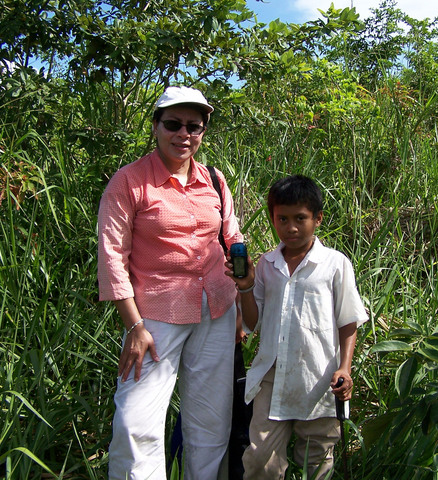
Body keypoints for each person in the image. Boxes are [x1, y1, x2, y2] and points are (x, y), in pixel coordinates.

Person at [98, 86, 243, 480]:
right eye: (173, 124)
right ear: (156, 125)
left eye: (194, 127)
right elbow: (112, 256)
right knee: (135, 421)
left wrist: (241, 299)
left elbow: (232, 236)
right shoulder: (129, 182)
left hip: (218, 309)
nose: (184, 135)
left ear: (204, 131)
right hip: (156, 317)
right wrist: (134, 325)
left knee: (211, 421)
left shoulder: (213, 179)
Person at [226, 175, 368, 480]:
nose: (291, 227)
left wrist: (345, 368)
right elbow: (254, 323)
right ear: (272, 219)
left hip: (319, 378)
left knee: (316, 461)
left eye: (300, 218)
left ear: (317, 218)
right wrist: (247, 287)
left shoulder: (334, 264)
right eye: (283, 219)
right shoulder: (266, 264)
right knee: (260, 459)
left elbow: (348, 321)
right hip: (272, 376)